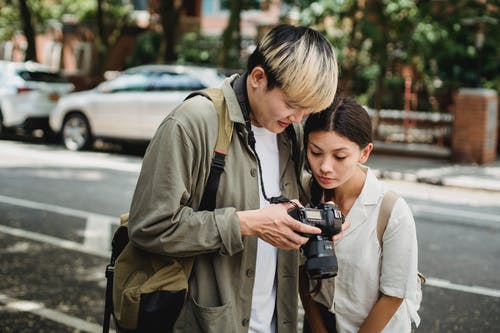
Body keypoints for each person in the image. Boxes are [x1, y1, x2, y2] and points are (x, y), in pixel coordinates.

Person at [127, 24, 339, 333]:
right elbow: (149, 226)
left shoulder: (290, 134)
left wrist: (313, 227)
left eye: (307, 110)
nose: (298, 118)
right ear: (257, 78)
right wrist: (246, 223)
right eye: (293, 104)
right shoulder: (194, 122)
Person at [299, 96, 420, 333]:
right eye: (315, 152)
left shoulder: (391, 211)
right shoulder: (306, 193)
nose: (325, 166)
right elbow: (301, 270)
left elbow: (394, 294)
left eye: (340, 157)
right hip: (319, 322)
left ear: (365, 153)